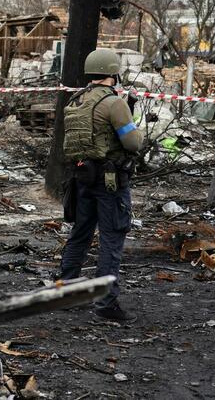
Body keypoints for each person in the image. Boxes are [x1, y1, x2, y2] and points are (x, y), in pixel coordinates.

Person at [58, 48, 143, 323]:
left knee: (80, 234)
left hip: (83, 177)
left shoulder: (76, 100)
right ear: (113, 73)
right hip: (110, 182)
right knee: (111, 239)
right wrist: (134, 123)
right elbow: (131, 143)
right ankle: (106, 303)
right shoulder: (113, 103)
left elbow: (93, 136)